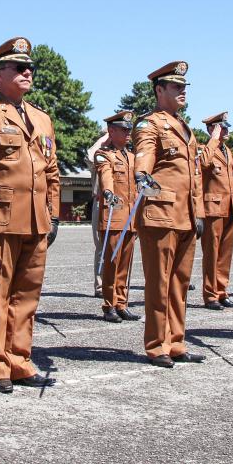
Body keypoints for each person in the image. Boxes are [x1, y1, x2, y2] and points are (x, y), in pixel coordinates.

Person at [0, 36, 60, 393]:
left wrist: (54, 212)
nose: (27, 72)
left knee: (27, 295)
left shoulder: (41, 117)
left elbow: (51, 170)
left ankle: (19, 359)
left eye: (30, 68)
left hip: (36, 219)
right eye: (19, 67)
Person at [133, 60, 206, 368]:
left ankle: (176, 341)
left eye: (184, 87)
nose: (182, 92)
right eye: (176, 87)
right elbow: (145, 155)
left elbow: (195, 174)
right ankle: (156, 344)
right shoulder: (149, 124)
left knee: (179, 282)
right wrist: (141, 174)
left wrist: (199, 211)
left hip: (186, 215)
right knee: (159, 282)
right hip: (161, 213)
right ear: (159, 90)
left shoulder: (185, 128)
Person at [94, 110, 140, 323]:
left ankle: (122, 303)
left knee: (126, 264)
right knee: (112, 262)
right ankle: (109, 305)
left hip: (130, 217)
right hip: (114, 215)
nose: (128, 133)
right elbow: (106, 176)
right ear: (111, 131)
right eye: (123, 129)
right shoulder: (104, 155)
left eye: (129, 129)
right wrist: (108, 192)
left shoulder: (132, 157)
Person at [198, 112, 233, 310]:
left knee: (225, 254)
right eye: (222, 128)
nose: (226, 130)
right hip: (212, 209)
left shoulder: (227, 151)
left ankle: (222, 291)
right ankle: (210, 295)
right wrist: (213, 139)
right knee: (212, 254)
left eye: (226, 127)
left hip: (229, 207)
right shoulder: (205, 149)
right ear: (211, 130)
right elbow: (203, 163)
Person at [87, 131, 110, 298]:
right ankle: (101, 286)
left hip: (120, 204)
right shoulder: (98, 157)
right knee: (102, 246)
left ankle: (115, 285)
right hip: (101, 202)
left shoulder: (121, 155)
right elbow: (89, 155)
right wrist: (104, 138)